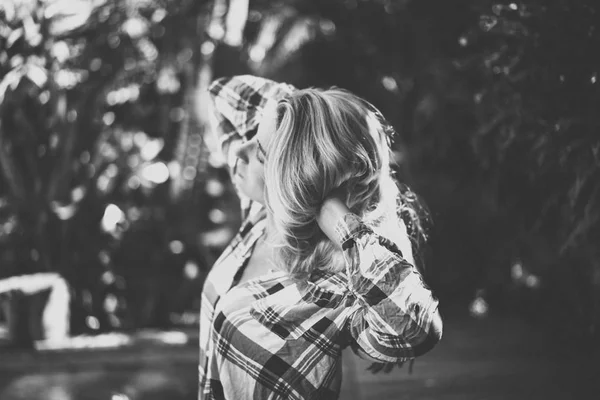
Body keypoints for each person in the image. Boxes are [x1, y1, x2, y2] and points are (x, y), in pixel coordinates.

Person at [199, 75, 443, 400]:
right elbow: (224, 92)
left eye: (259, 153)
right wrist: (306, 112)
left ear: (293, 181)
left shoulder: (338, 288)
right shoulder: (260, 217)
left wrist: (331, 209)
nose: (237, 152)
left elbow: (415, 329)